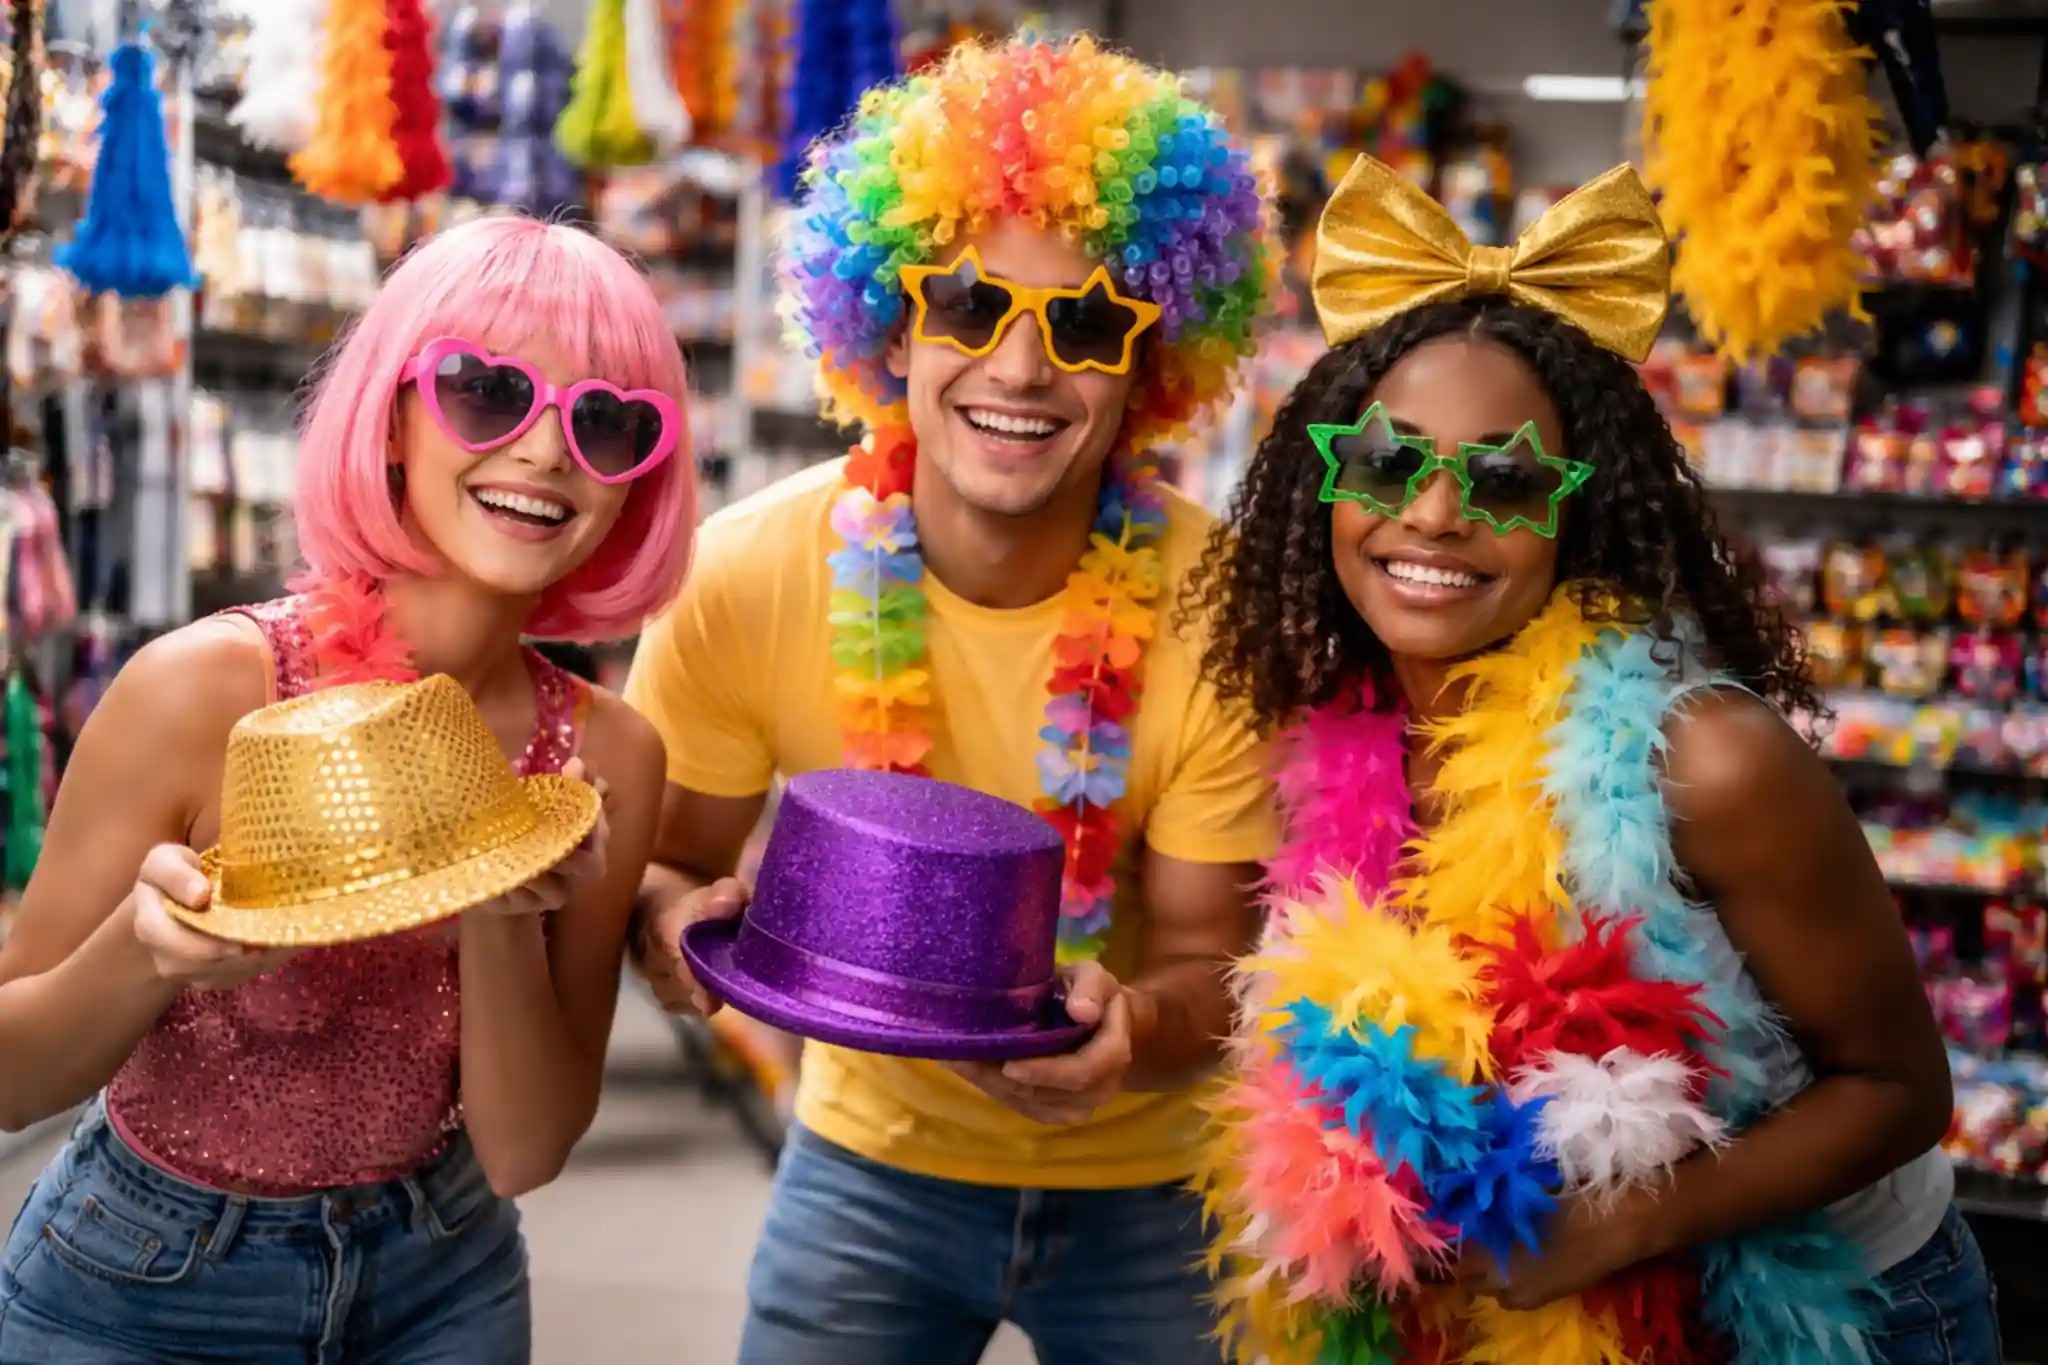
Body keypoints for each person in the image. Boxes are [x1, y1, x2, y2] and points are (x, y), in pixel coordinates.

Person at [1185, 156, 1996, 1365]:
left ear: (1577, 509)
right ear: (1325, 481)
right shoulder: (1326, 733)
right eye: (1388, 461)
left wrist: (1620, 1223)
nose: (1435, 514)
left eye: (1503, 477)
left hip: (1839, 1315)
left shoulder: (1702, 760)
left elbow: (1896, 1092)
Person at [626, 31, 1276, 1365]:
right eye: (971, 305)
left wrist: (1129, 1029)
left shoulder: (1226, 609)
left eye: (1089, 321)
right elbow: (662, 868)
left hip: (1158, 1185)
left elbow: (1219, 962)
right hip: (869, 1167)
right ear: (893, 320)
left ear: (1155, 366)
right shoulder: (745, 577)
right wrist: (671, 931)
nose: (1022, 369)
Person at [0, 215, 692, 1363]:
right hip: (145, 1282)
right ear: (393, 419)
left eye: (607, 423)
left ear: (637, 482)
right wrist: (146, 947)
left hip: (445, 1281)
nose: (544, 452)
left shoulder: (605, 758)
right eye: (487, 392)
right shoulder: (207, 691)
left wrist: (498, 896)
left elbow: (524, 1153)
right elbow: (14, 1079)